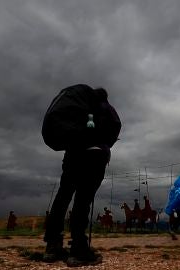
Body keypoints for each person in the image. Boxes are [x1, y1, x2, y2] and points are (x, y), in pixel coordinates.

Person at [43, 87, 121, 267]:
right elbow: (113, 129)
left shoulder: (79, 109)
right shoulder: (105, 108)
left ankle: (52, 246)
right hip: (94, 155)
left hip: (72, 154)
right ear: (105, 97)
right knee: (83, 199)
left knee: (63, 196)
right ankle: (78, 250)